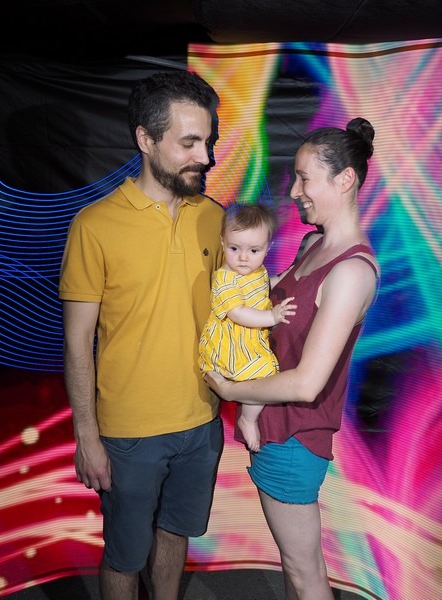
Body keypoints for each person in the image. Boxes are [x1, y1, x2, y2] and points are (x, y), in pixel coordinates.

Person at [59, 70, 226, 600]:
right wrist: (87, 437)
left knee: (175, 534)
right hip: (128, 434)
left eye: (208, 142)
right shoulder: (94, 226)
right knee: (125, 556)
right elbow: (76, 343)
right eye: (189, 143)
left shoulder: (215, 218)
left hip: (201, 423)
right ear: (145, 139)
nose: (204, 156)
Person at [205, 117, 379, 600]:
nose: (294, 191)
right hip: (273, 427)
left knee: (304, 571)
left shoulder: (352, 272)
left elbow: (306, 383)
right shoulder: (314, 245)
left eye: (304, 178)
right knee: (297, 564)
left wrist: (231, 390)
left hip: (294, 436)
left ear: (345, 180)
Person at [198, 204, 297, 452]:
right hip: (230, 342)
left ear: (267, 247)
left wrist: (281, 278)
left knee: (265, 373)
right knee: (264, 372)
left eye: (254, 250)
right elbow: (237, 313)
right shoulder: (224, 278)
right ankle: (248, 419)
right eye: (234, 248)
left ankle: (248, 415)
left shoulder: (257, 270)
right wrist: (272, 316)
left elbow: (262, 284)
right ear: (223, 242)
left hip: (251, 338)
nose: (243, 257)